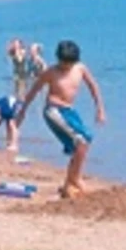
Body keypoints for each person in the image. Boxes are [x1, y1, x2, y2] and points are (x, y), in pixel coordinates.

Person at [18, 41, 105, 198]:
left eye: (68, 64)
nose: (65, 67)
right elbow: (34, 90)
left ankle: (68, 184)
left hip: (69, 111)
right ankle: (75, 180)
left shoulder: (80, 68)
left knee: (83, 144)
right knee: (81, 141)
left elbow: (93, 86)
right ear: (58, 59)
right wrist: (22, 112)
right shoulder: (51, 72)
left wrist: (100, 109)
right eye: (62, 63)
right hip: (53, 111)